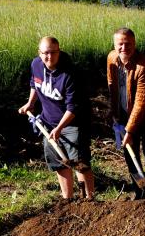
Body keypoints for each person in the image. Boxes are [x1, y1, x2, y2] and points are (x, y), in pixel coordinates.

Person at [18, 36, 94, 200]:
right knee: (59, 163)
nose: (49, 57)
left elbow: (73, 107)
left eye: (53, 52)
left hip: (73, 123)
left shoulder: (71, 74)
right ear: (39, 53)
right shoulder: (36, 65)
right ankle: (68, 199)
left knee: (79, 163)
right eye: (46, 53)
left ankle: (89, 201)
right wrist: (30, 103)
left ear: (59, 51)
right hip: (48, 122)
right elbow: (34, 83)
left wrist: (59, 129)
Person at [106, 27, 145, 200]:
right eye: (120, 44)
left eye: (128, 44)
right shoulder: (111, 59)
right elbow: (111, 83)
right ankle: (139, 191)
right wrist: (113, 111)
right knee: (130, 157)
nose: (124, 47)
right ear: (114, 45)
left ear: (135, 44)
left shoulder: (143, 66)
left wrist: (130, 130)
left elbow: (141, 102)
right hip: (122, 119)